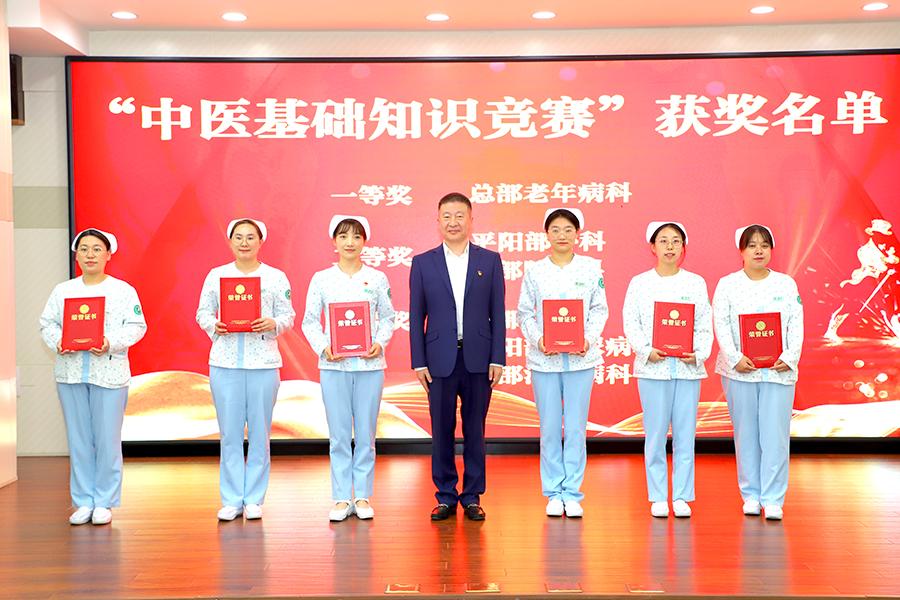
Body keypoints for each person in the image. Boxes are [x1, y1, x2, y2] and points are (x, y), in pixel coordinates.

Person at [39, 228, 147, 525]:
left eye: (97, 249)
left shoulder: (123, 291)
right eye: (84, 249)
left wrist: (109, 342)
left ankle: (105, 502)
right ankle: (83, 501)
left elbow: (137, 326)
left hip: (109, 374)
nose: (90, 255)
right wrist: (58, 341)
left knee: (107, 440)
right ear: (76, 256)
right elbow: (47, 324)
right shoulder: (64, 291)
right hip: (70, 374)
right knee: (78, 439)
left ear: (109, 254)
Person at [409, 192, 505, 522]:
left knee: (475, 430)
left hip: (479, 358)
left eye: (460, 215)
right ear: (438, 221)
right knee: (442, 430)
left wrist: (498, 358)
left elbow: (498, 313)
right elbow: (416, 315)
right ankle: (446, 495)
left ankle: (473, 496)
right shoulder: (423, 262)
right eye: (447, 216)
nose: (453, 222)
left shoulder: (489, 261)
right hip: (438, 360)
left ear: (471, 220)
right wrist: (419, 361)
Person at [196, 218, 295, 521]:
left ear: (260, 241)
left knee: (260, 434)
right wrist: (214, 325)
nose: (244, 243)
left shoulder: (275, 277)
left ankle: (253, 498)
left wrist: (273, 323)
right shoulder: (217, 275)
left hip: (263, 363)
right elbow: (202, 313)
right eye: (238, 237)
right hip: (224, 364)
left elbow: (288, 315)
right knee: (229, 434)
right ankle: (231, 499)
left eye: (251, 237)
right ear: (229, 241)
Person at [301, 215, 395, 522]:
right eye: (343, 236)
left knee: (366, 434)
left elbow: (388, 317)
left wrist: (379, 342)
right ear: (334, 241)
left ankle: (363, 496)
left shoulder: (377, 278)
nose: (350, 242)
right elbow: (309, 321)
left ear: (364, 241)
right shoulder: (321, 279)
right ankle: (342, 497)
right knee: (339, 435)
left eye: (356, 236)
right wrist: (323, 347)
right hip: (334, 368)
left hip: (370, 366)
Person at [517, 208, 608, 518]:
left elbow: (599, 310)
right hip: (545, 361)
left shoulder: (591, 267)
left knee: (577, 429)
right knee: (550, 428)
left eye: (568, 230)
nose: (562, 235)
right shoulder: (535, 271)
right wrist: (539, 340)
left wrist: (588, 339)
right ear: (546, 234)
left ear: (577, 234)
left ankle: (572, 493)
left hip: (581, 360)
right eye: (555, 230)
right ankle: (553, 492)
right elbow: (524, 313)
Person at [622, 222, 713, 519]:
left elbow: (704, 324)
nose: (670, 246)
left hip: (687, 370)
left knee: (686, 435)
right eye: (663, 240)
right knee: (656, 435)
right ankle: (658, 496)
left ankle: (682, 496)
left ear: (683, 246)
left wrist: (698, 354)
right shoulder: (639, 283)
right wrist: (645, 350)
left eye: (676, 240)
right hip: (652, 370)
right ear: (653, 247)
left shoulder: (695, 283)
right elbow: (630, 322)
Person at [713, 224, 803, 521]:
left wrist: (789, 356)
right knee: (746, 435)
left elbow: (796, 323)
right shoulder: (727, 284)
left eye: (764, 245)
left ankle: (774, 498)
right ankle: (751, 495)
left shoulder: (785, 284)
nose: (759, 251)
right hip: (740, 371)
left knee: (776, 436)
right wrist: (734, 357)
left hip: (778, 372)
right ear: (741, 250)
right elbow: (721, 323)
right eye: (752, 245)